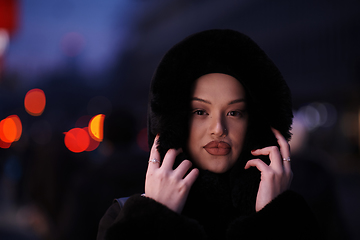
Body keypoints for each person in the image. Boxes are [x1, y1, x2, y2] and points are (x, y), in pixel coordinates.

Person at [97, 29, 321, 240]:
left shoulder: (297, 216)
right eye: (200, 111)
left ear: (255, 126)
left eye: (234, 112)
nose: (218, 128)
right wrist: (156, 219)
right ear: (175, 122)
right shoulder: (123, 218)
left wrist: (273, 219)